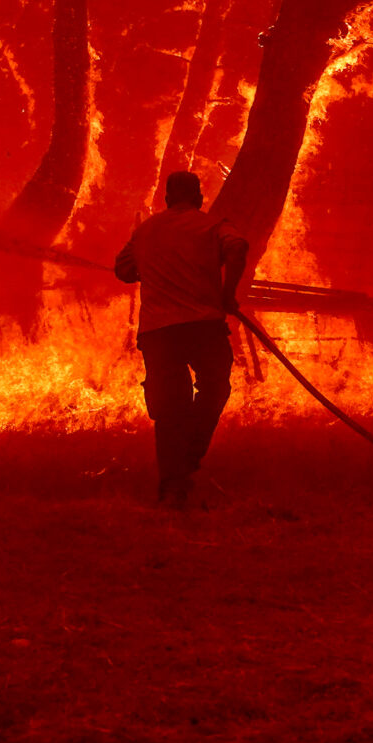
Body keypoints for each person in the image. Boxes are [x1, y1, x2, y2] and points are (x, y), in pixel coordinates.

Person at [112, 170, 248, 507]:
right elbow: (238, 247)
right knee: (215, 388)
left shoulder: (145, 231)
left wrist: (153, 265)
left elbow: (124, 270)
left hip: (159, 332)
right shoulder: (214, 225)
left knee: (170, 408)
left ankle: (173, 484)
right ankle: (188, 458)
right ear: (199, 199)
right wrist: (227, 294)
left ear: (167, 199)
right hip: (204, 326)